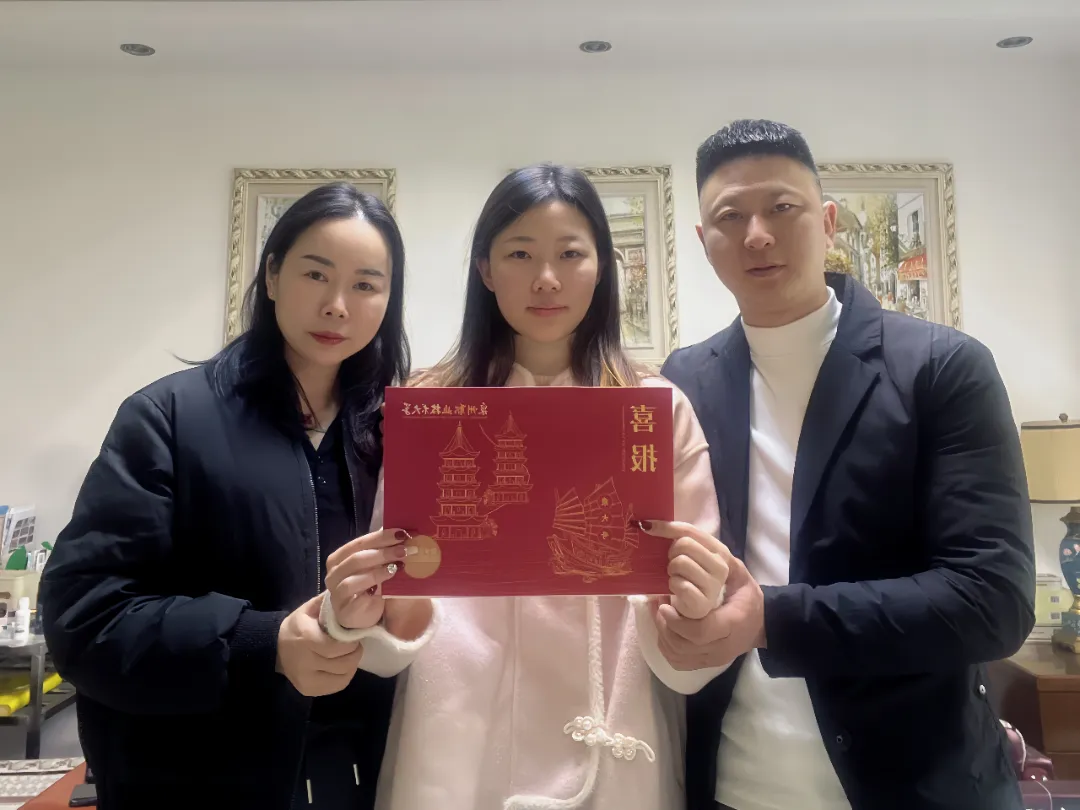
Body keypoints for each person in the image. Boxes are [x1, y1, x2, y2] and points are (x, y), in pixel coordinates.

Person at [320, 164, 731, 810]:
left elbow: (693, 622)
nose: (546, 279)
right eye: (519, 254)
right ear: (485, 269)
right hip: (455, 732)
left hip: (613, 728)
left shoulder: (656, 410)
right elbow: (396, 585)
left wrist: (699, 604)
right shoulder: (430, 408)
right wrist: (360, 606)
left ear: (602, 267)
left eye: (570, 254)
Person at [654, 119, 1036, 810]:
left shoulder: (941, 367)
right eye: (731, 217)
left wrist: (771, 620)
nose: (757, 235)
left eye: (781, 207)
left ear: (828, 221)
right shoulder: (684, 381)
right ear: (703, 241)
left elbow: (992, 601)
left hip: (917, 786)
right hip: (734, 787)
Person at [39, 182, 427, 810]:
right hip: (197, 778)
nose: (336, 306)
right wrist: (261, 643)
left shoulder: (399, 434)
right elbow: (86, 618)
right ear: (272, 276)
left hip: (361, 778)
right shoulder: (168, 417)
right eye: (315, 274)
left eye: (365, 284)